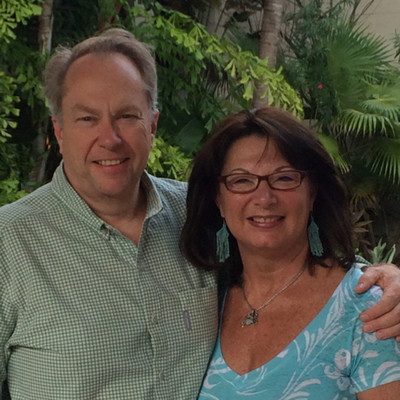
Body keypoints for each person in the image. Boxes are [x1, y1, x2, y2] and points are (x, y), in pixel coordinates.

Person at [0, 29, 399, 399]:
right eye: (87, 118)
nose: (110, 138)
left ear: (152, 124)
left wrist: (381, 279)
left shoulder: (195, 213)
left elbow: (283, 257)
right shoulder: (9, 244)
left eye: (127, 116)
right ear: (59, 130)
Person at [180, 107, 400, 399]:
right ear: (218, 199)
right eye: (241, 180)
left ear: (312, 192)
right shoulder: (209, 298)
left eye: (284, 178)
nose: (264, 198)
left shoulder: (370, 310)